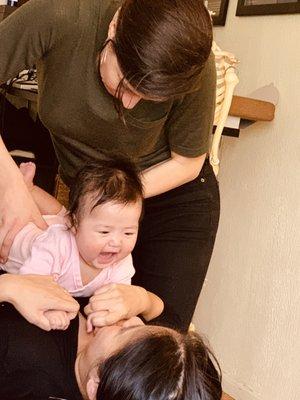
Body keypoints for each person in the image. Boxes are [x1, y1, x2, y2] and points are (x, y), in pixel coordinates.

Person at [0, 0, 220, 331]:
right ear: (114, 28)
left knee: (155, 340)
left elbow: (187, 162)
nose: (130, 105)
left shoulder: (191, 64)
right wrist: (13, 187)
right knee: (58, 330)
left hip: (172, 194)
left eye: (149, 98)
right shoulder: (60, 14)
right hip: (91, 203)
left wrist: (115, 201)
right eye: (126, 85)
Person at [0, 157, 163, 330]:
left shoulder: (121, 260)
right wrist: (52, 308)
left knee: (60, 216)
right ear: (75, 225)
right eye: (104, 232)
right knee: (58, 218)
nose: (116, 242)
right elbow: (31, 284)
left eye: (128, 232)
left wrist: (113, 316)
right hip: (12, 234)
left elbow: (118, 298)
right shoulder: (56, 246)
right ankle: (27, 189)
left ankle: (30, 189)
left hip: (62, 224)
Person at [0, 273, 222, 400]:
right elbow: (169, 316)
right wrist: (143, 300)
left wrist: (9, 286)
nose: (134, 319)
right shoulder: (143, 367)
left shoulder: (23, 365)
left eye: (126, 330)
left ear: (94, 385)